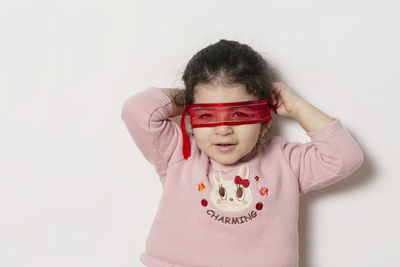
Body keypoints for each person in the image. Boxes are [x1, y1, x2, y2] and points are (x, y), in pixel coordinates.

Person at [121, 39, 364, 267]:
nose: (223, 129)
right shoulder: (178, 152)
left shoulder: (285, 161)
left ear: (265, 122)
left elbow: (344, 156)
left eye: (239, 114)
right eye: (207, 115)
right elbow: (138, 110)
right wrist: (190, 96)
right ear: (192, 120)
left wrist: (298, 107)